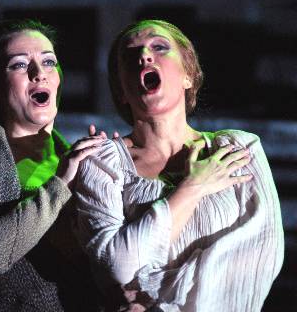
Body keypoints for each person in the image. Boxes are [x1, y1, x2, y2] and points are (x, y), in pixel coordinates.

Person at [74, 19, 284, 312]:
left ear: (189, 75)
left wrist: (159, 299)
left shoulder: (239, 148)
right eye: (129, 55)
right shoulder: (101, 161)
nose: (144, 56)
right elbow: (118, 266)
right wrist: (193, 187)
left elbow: (261, 254)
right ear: (121, 89)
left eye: (159, 47)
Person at [0, 19, 104, 312]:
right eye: (18, 65)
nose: (38, 73)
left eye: (49, 62)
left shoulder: (78, 158)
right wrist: (61, 184)